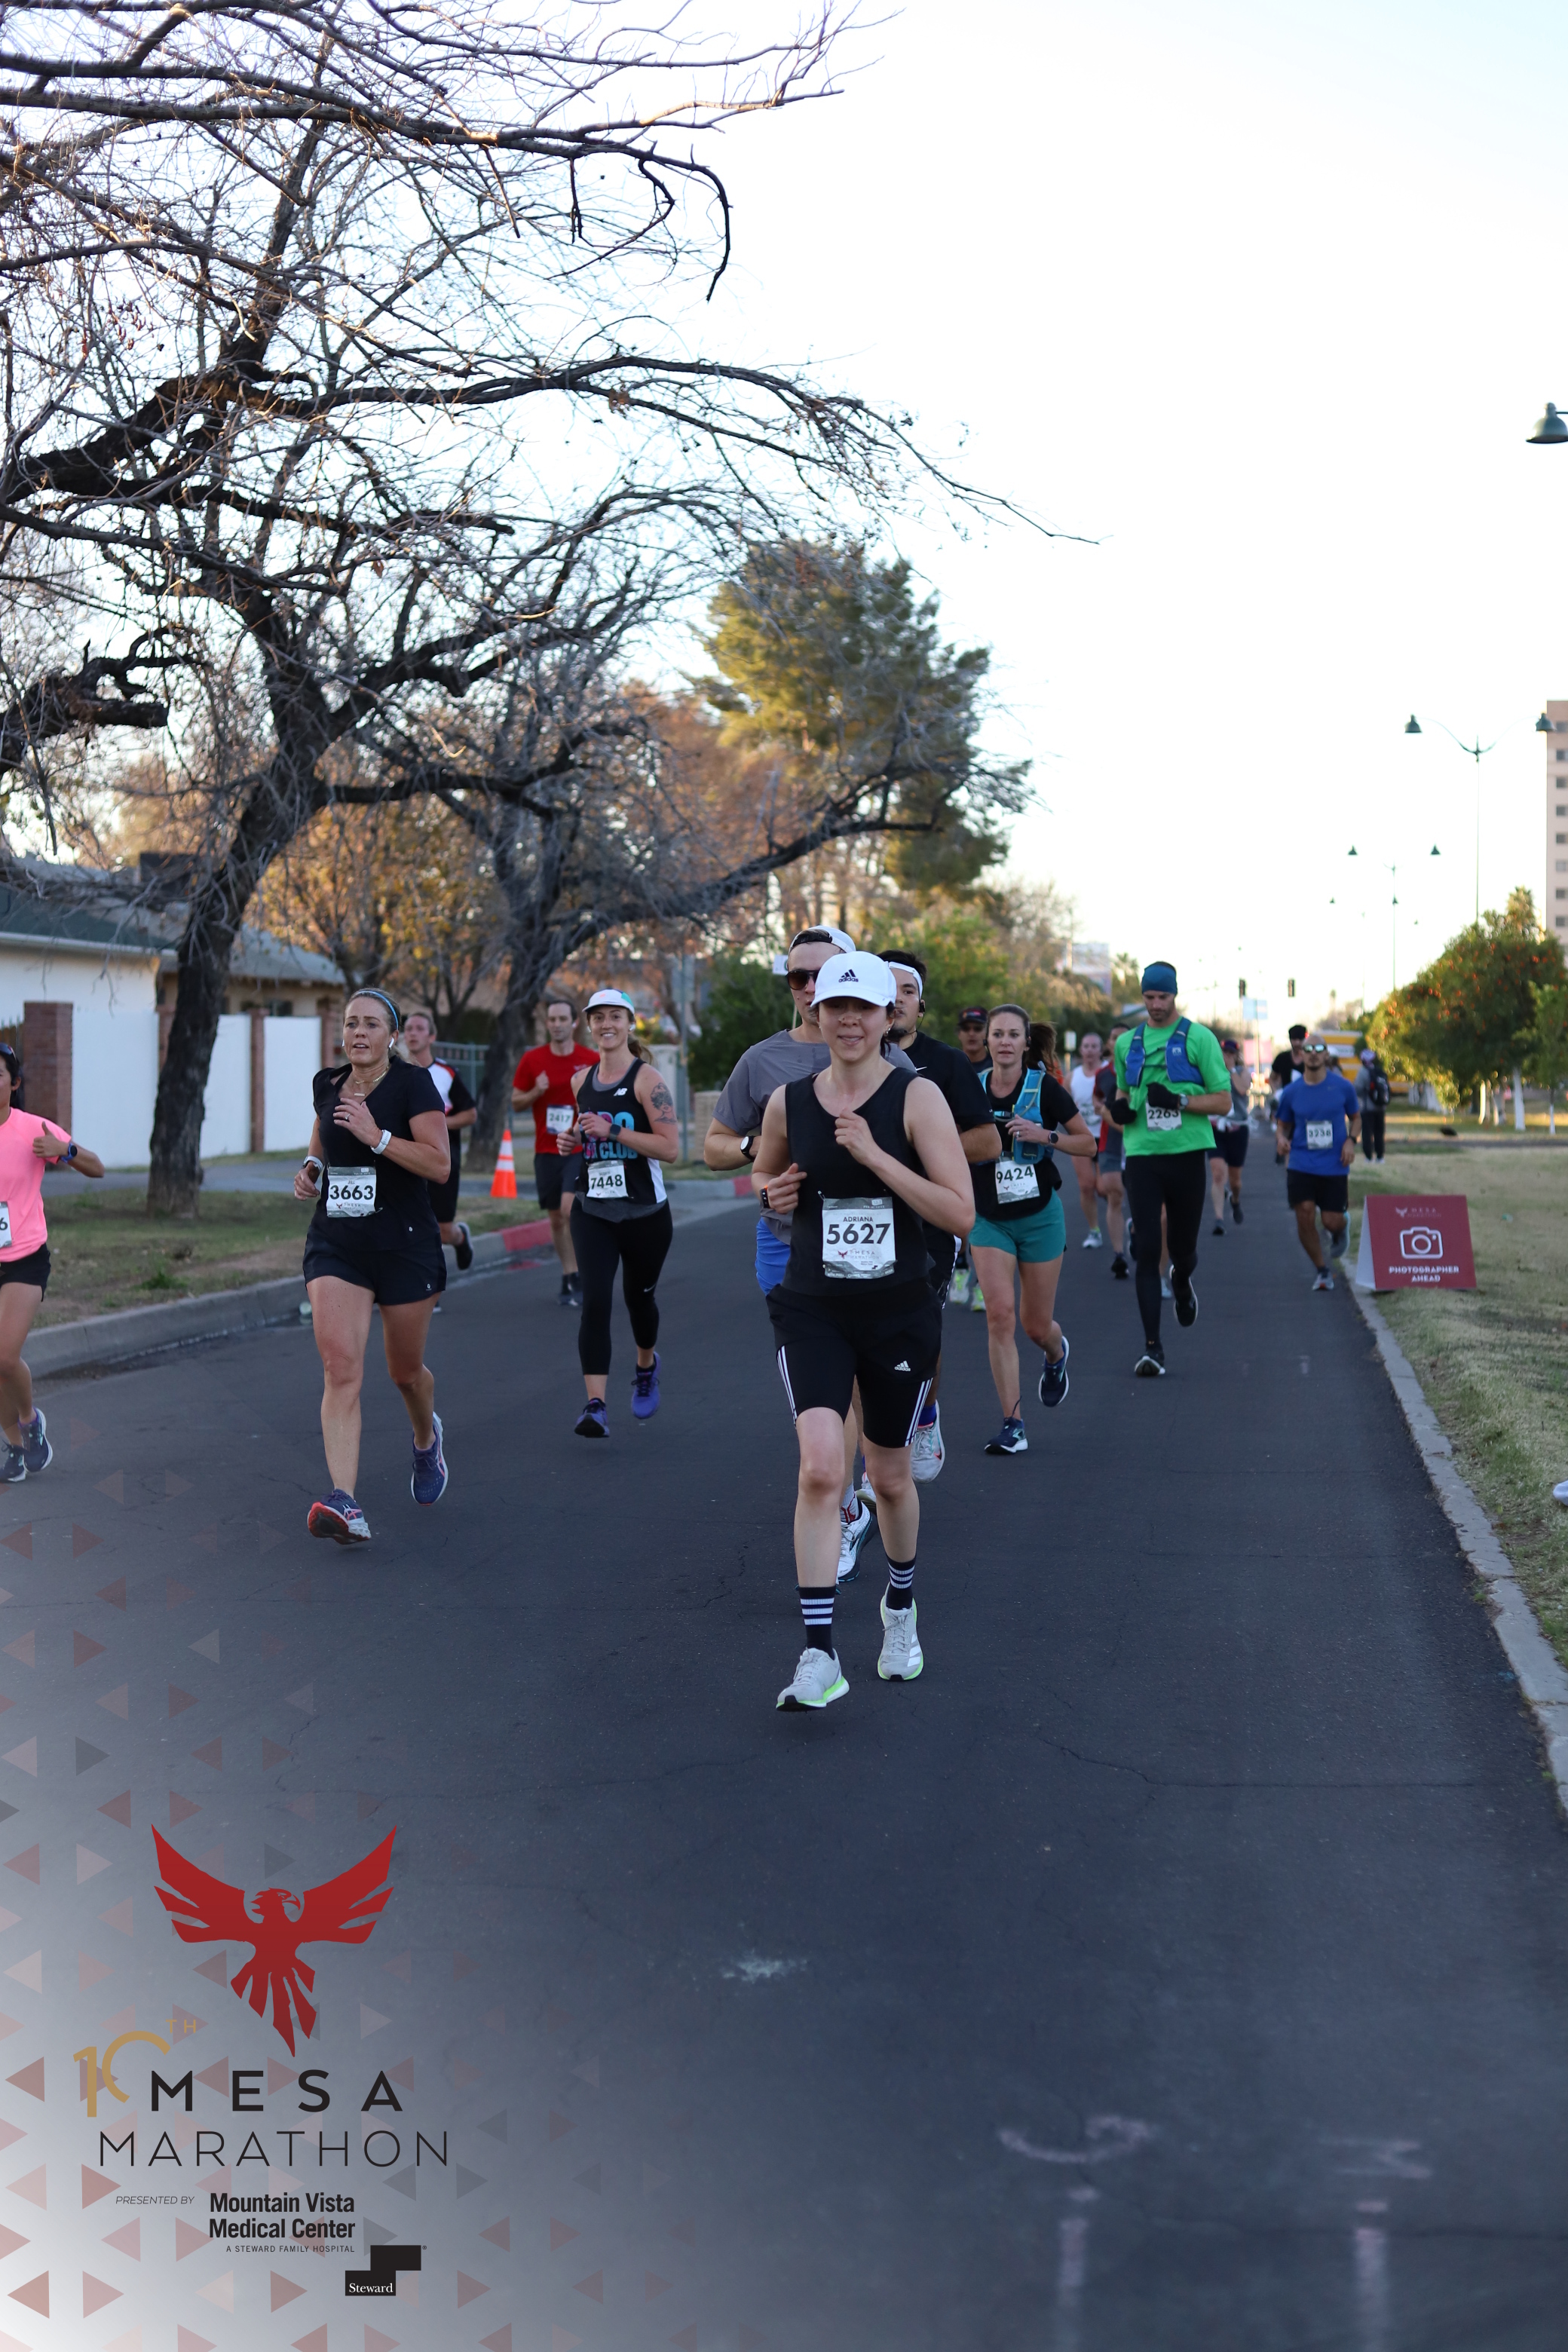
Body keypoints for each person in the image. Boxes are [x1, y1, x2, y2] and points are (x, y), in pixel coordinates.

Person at [749, 953, 974, 1709]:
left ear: (887, 1017)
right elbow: (764, 1179)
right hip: (812, 1305)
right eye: (834, 1007)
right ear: (815, 1014)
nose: (847, 1021)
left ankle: (899, 1606)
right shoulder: (788, 1103)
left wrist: (876, 1156)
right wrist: (770, 1193)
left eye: (863, 1009)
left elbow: (960, 1212)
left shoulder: (917, 1098)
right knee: (821, 1470)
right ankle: (818, 1654)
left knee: (889, 1477)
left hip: (897, 1311)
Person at [703, 926, 909, 1582]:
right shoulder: (763, 1061)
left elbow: (926, 1158)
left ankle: (869, 1483)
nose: (812, 987)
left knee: (861, 1387)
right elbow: (715, 1145)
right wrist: (763, 1158)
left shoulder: (892, 1065)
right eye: (799, 978)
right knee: (825, 1389)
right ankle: (843, 1506)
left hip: (873, 1251)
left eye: (826, 975)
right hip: (787, 1245)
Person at [296, 990, 454, 1543]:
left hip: (404, 1244)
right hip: (338, 1242)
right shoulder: (328, 1083)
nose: (358, 1033)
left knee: (405, 1374)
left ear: (392, 1035)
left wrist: (378, 1137)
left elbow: (439, 1164)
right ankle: (346, 1502)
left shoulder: (414, 1084)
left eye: (371, 1024)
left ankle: (426, 1439)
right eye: (351, 1023)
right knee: (340, 1368)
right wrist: (313, 1167)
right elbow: (323, 1131)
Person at [882, 951, 1000, 1479]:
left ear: (921, 1005)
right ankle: (878, 1456)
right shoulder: (844, 1059)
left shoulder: (947, 1063)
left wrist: (920, 1151)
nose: (896, 999)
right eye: (886, 988)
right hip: (860, 1221)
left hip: (928, 1221)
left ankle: (924, 1414)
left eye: (907, 990)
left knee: (917, 1327)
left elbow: (988, 1142)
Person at [969, 1006, 1095, 1454]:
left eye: (1013, 1035)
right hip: (989, 1219)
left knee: (1035, 1326)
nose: (1004, 1041)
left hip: (1040, 1217)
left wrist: (1045, 1136)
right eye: (997, 1034)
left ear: (1026, 1043)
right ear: (987, 1041)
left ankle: (1056, 1353)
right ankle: (1013, 1424)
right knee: (999, 1315)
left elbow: (1088, 1143)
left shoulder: (1045, 1089)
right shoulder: (970, 1088)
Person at [561, 989, 678, 1436]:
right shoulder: (580, 1080)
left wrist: (614, 1131)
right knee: (595, 1301)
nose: (606, 1024)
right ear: (589, 1025)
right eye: (598, 1017)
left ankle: (646, 1365)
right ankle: (595, 1405)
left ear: (630, 1023)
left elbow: (669, 1148)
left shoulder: (648, 1080)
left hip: (645, 1213)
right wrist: (572, 1140)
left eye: (615, 1016)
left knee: (639, 1300)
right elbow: (583, 1130)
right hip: (592, 1209)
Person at [1106, 964, 1233, 1377]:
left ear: (1174, 996)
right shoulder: (1127, 1043)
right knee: (1146, 1249)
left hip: (1186, 1153)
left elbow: (1223, 1101)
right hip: (1143, 1155)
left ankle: (1181, 1282)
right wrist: (1120, 1108)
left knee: (1182, 1249)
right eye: (1149, 998)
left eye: (1163, 997)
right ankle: (1152, 1349)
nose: (1156, 1005)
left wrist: (1179, 1101)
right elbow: (1124, 1090)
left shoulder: (1199, 1038)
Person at [0, 1042, 104, 1483]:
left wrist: (64, 1149)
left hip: (24, 1258)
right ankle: (14, 1447)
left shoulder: (32, 1129)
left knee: (4, 1356)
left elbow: (97, 1167)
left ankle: (29, 1421)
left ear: (14, 1083)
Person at [513, 997, 599, 1306]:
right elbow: (516, 1102)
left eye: (563, 1019)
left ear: (574, 1023)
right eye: (552, 1020)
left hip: (578, 1147)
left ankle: (584, 1273)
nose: (558, 1025)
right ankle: (569, 1273)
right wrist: (537, 1091)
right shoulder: (533, 1059)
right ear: (546, 1023)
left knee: (568, 1209)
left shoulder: (590, 1058)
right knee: (556, 1218)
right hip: (546, 1150)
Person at [1275, 1035, 1360, 1291]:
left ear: (1326, 1055)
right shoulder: (1291, 1092)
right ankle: (1322, 1270)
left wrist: (1351, 1141)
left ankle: (1341, 1226)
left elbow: (1356, 1118)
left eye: (1318, 1049)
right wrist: (1281, 1139)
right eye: (1308, 1049)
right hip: (1301, 1162)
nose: (1313, 1053)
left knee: (1331, 1221)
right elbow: (1282, 1124)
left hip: (1334, 1164)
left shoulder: (1343, 1087)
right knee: (1304, 1214)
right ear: (1301, 1055)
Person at [401, 1009, 476, 1270]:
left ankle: (460, 1237)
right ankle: (423, 1282)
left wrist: (437, 1124)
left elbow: (470, 1114)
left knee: (443, 1230)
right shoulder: (394, 1073)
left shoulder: (446, 1073)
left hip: (443, 1157)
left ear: (432, 1037)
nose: (413, 1034)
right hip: (407, 1158)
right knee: (410, 1224)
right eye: (409, 1029)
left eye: (420, 1029)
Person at [1207, 1037, 1253, 1233]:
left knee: (1235, 1181)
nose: (1227, 1056)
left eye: (1231, 1053)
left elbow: (1242, 1090)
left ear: (1236, 1055)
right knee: (1218, 1173)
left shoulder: (1243, 1072)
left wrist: (1232, 1069)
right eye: (1224, 1053)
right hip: (1215, 1127)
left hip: (1237, 1128)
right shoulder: (1211, 1071)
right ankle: (1219, 1219)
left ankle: (1235, 1199)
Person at [1269, 1027, 1309, 1159]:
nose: (1297, 1043)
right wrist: (1277, 1093)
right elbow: (1273, 1078)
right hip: (1287, 1104)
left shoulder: (1310, 1059)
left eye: (1300, 1039)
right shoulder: (1282, 1058)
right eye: (1294, 1039)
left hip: (1306, 1104)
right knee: (1286, 1140)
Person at [1357, 1047, 1391, 1162]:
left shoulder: (1363, 1072)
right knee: (1379, 1133)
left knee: (1367, 1133)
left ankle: (1368, 1156)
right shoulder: (1379, 1071)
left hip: (1367, 1108)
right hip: (1380, 1107)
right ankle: (1380, 1156)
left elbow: (1357, 1089)